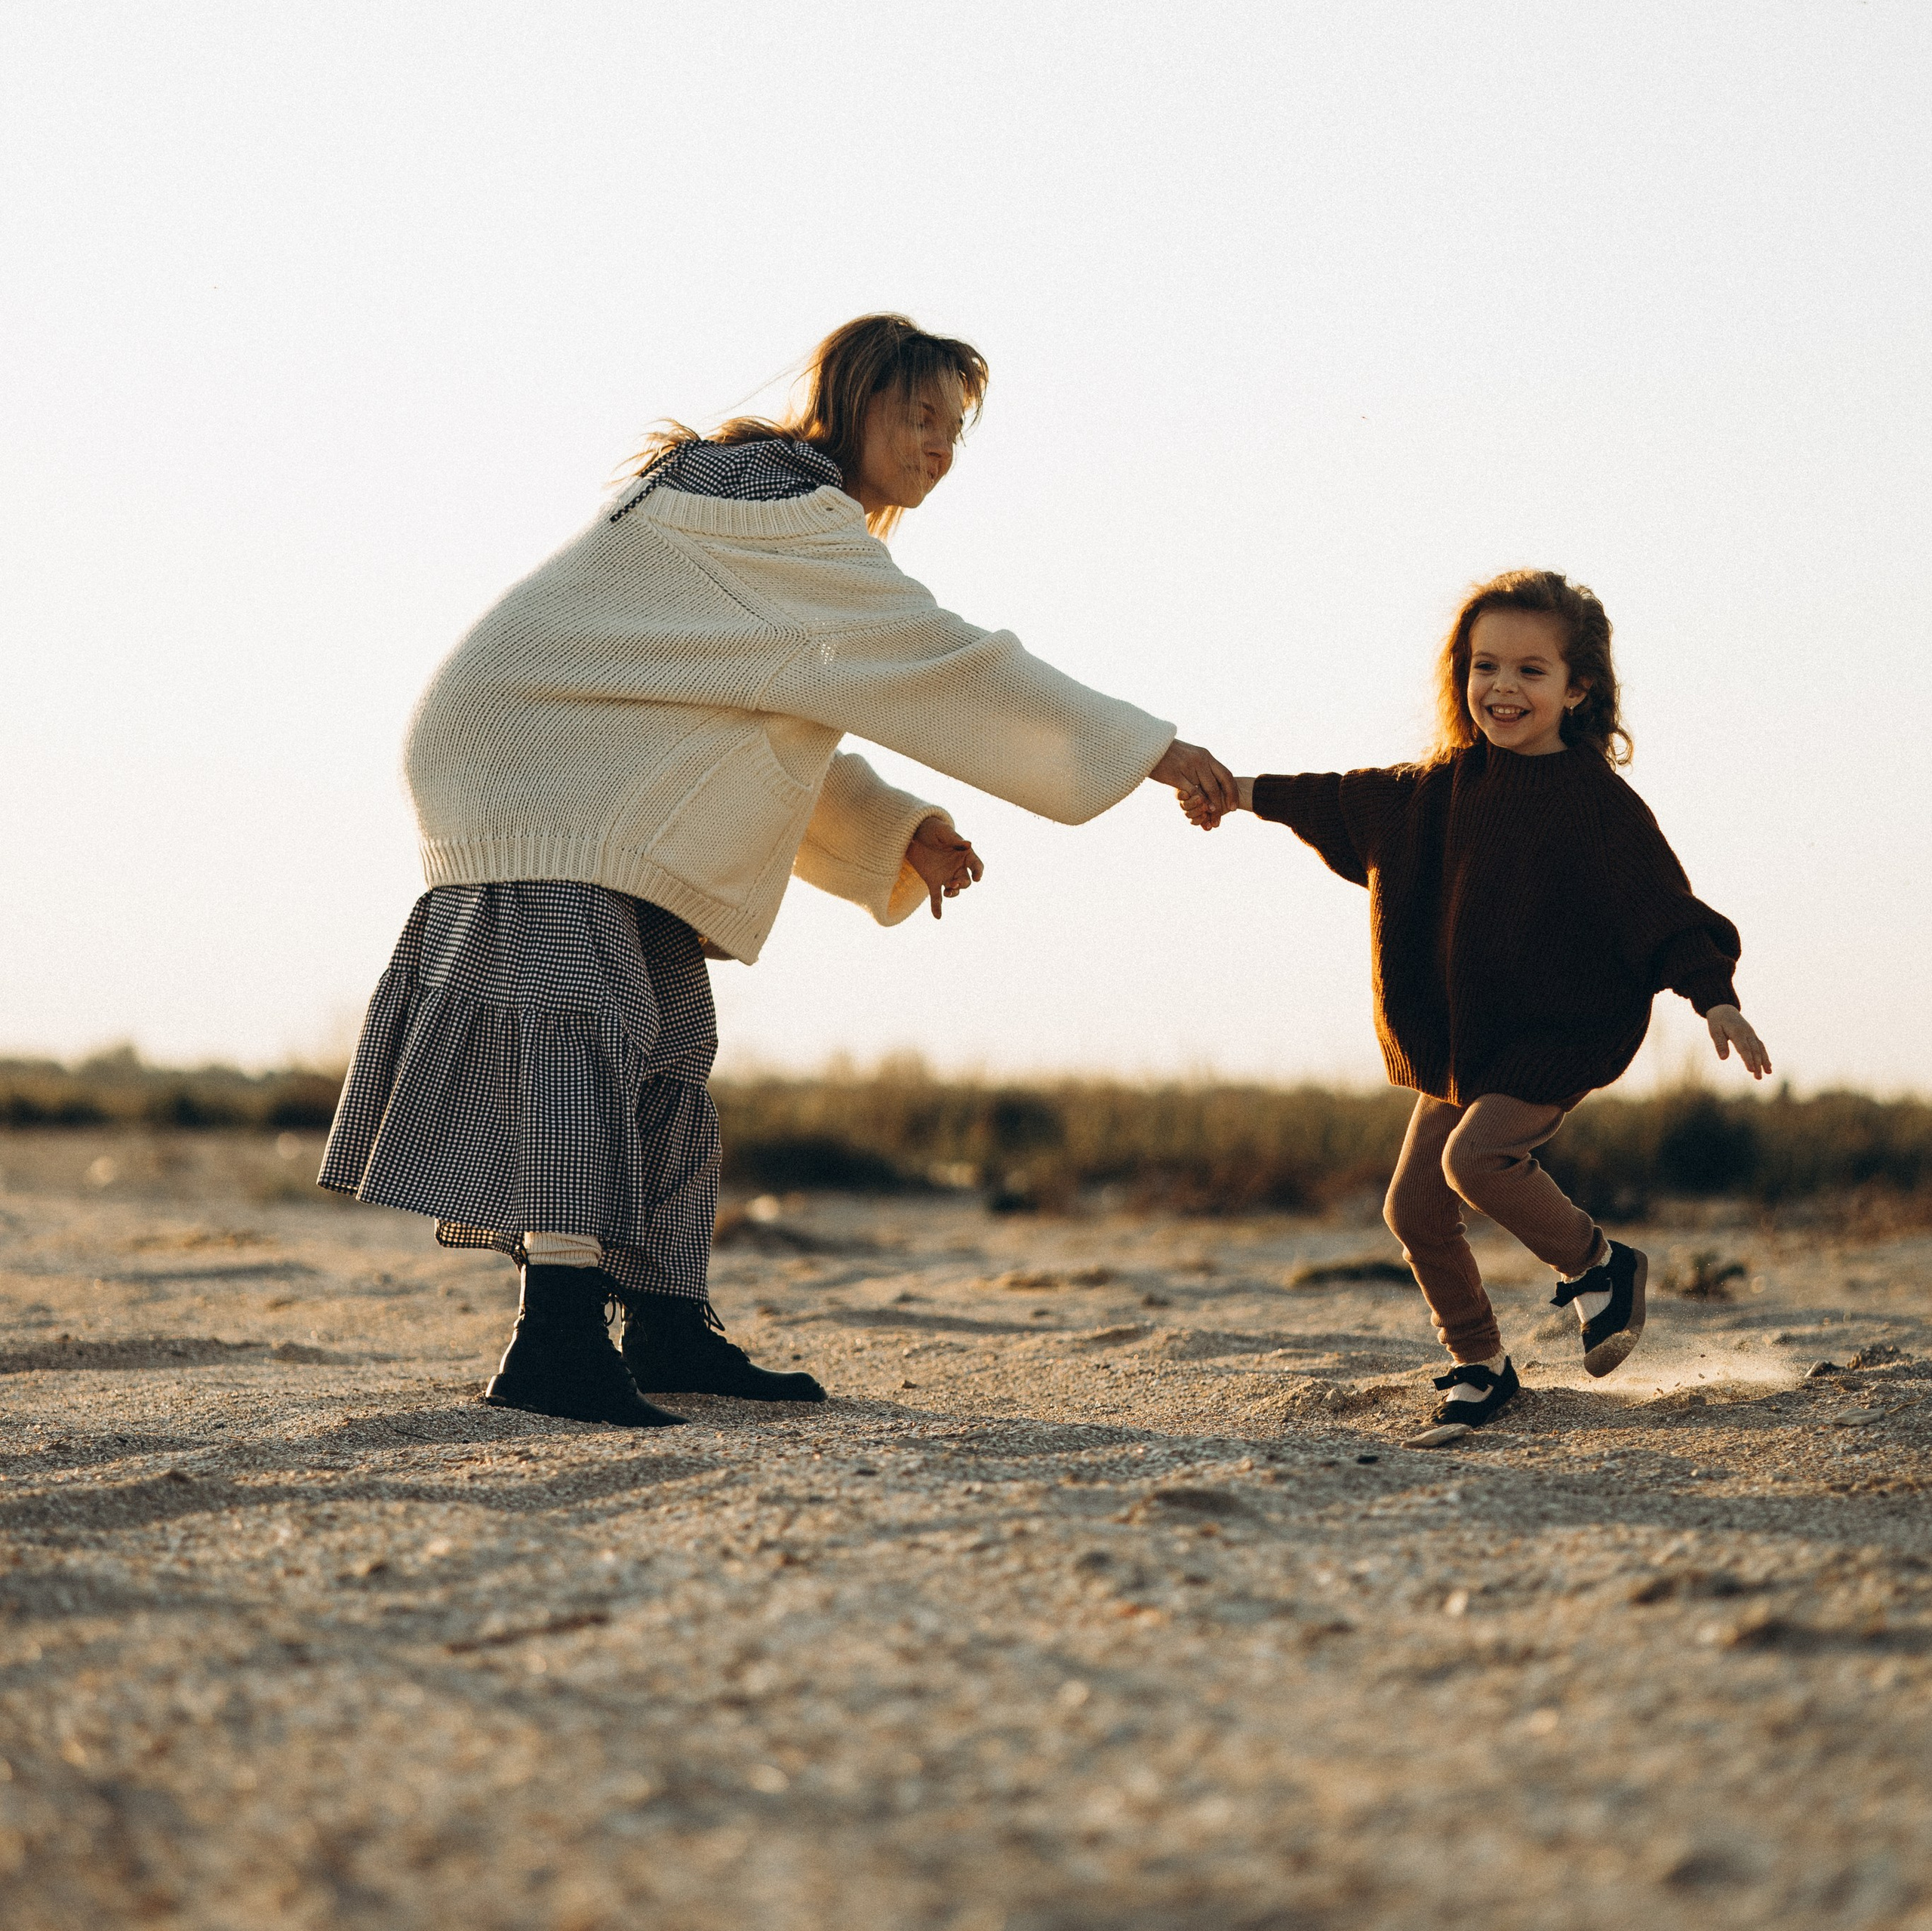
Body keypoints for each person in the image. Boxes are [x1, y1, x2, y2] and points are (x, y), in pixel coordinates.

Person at [322, 314, 1234, 1428]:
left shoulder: (782, 520)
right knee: (585, 1025)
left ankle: (661, 1319)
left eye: (957, 427)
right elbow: (945, 662)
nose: (940, 445)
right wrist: (1152, 750)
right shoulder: (778, 511)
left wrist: (893, 829)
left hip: (583, 764)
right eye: (919, 415)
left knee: (671, 1037)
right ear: (852, 401)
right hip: (537, 763)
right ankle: (553, 1337)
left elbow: (765, 713)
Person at [1180, 570, 1770, 1447]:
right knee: (1412, 1210)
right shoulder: (1436, 789)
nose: (1502, 688)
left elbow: (1662, 909)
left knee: (1476, 1159)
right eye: (1485, 666)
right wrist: (1239, 791)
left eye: (1531, 671)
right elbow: (1342, 797)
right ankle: (1482, 1369)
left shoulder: (1594, 805)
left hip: (1556, 1034)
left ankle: (1600, 1266)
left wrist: (1714, 997)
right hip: (1469, 1040)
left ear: (1577, 689)